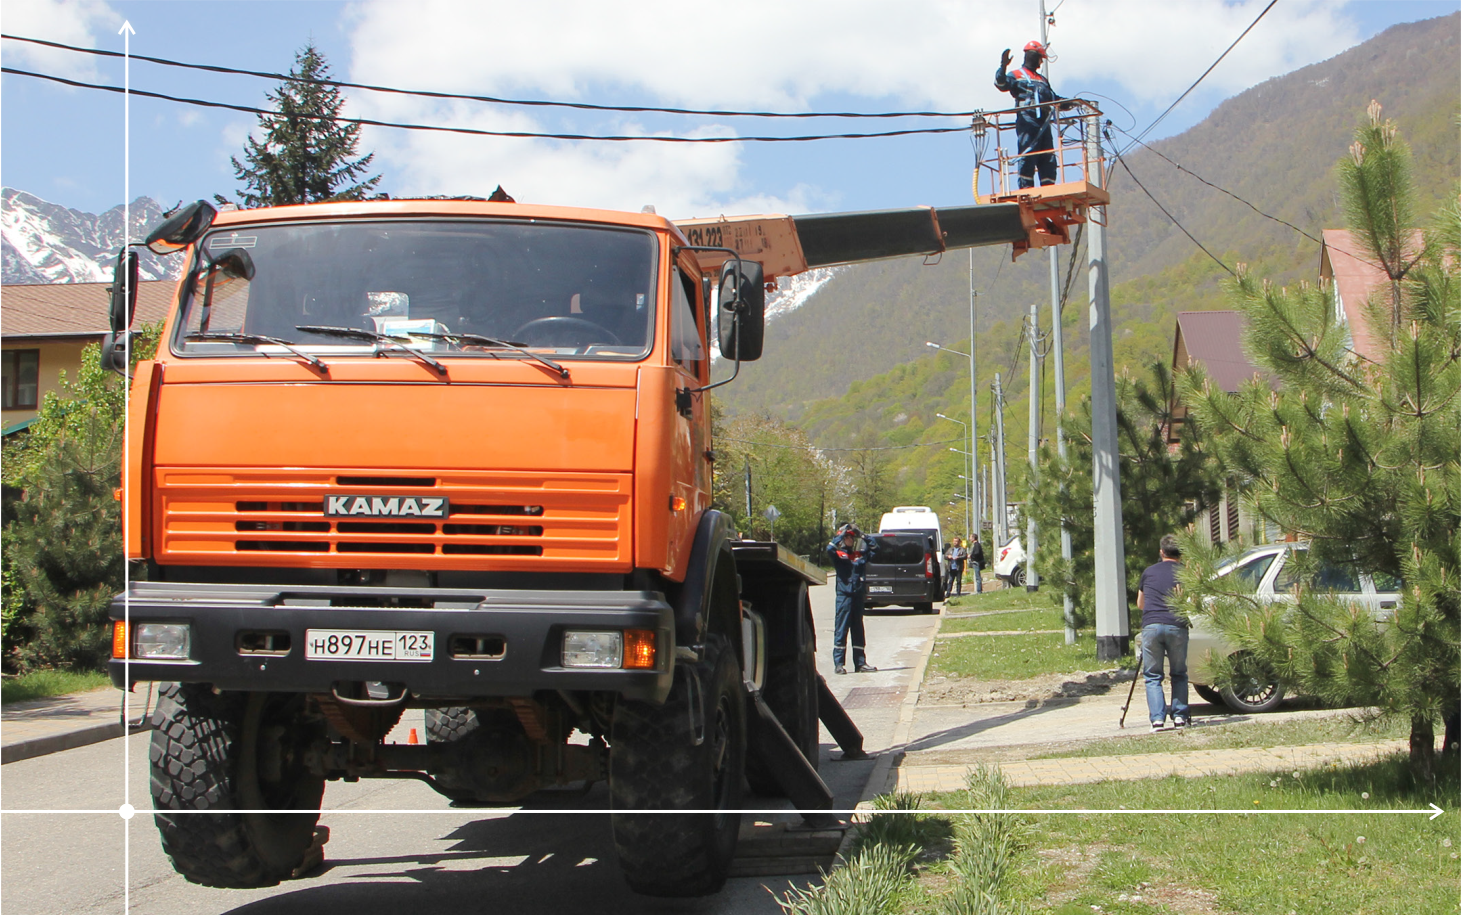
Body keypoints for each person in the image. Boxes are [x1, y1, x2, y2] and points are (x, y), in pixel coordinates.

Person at [994, 40, 1071, 189]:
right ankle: (1026, 189)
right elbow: (1002, 84)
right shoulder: (1016, 75)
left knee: (1048, 157)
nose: (1041, 63)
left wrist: (1070, 102)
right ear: (1034, 57)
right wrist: (1003, 67)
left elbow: (1052, 98)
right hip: (1028, 121)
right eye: (1040, 59)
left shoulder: (1042, 80)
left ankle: (1048, 189)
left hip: (1044, 123)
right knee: (1028, 154)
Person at [1137, 534, 1189, 731]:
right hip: (1177, 625)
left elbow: (1140, 603)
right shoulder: (1186, 573)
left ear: (1161, 552)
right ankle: (1179, 717)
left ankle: (1158, 720)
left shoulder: (1148, 572)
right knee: (1179, 673)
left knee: (1152, 675)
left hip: (1151, 625)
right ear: (1181, 554)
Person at [825, 523, 876, 675]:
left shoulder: (858, 555)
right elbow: (829, 548)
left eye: (851, 537)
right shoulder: (839, 555)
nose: (850, 540)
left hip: (857, 597)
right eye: (847, 537)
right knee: (841, 630)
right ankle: (839, 664)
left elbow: (875, 549)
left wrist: (863, 535)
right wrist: (841, 533)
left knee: (858, 630)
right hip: (844, 597)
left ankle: (860, 663)